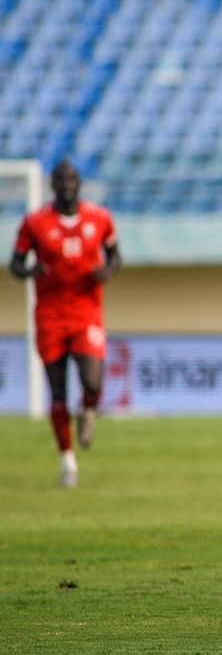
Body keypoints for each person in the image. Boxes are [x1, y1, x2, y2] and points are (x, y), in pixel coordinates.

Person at [9, 160, 121, 488]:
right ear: (52, 185)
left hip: (86, 311)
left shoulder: (99, 218)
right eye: (61, 180)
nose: (67, 184)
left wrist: (108, 272)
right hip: (50, 315)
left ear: (80, 183)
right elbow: (15, 263)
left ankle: (87, 411)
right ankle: (68, 463)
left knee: (92, 383)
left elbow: (116, 255)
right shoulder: (35, 223)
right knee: (57, 392)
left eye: (72, 179)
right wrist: (30, 272)